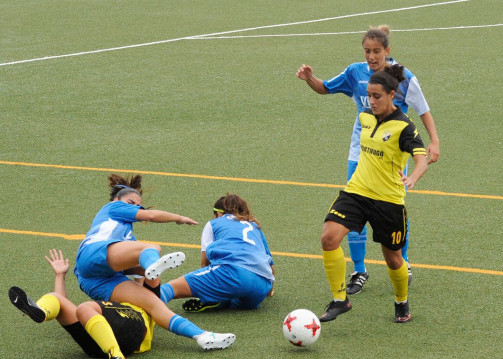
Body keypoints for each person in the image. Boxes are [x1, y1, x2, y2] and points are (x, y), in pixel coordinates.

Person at [296, 25, 439, 294]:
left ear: (387, 51)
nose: (371, 57)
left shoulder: (403, 77)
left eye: (376, 51)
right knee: (354, 211)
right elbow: (325, 88)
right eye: (367, 51)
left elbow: (423, 109)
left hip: (392, 155)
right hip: (359, 152)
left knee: (395, 212)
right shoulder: (355, 72)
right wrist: (309, 79)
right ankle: (359, 270)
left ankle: (402, 263)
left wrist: (434, 141)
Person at [74, 174, 236, 353]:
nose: (136, 208)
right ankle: (152, 266)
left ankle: (202, 336)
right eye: (131, 203)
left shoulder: (128, 239)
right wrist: (178, 218)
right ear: (116, 199)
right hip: (91, 254)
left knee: (154, 304)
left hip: (96, 281)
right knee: (152, 249)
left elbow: (137, 279)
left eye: (138, 205)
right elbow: (149, 215)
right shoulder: (112, 208)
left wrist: (146, 292)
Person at [318, 64, 428, 323]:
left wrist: (412, 177)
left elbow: (420, 158)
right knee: (328, 238)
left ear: (392, 94)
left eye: (377, 96)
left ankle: (401, 301)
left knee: (393, 260)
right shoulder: (365, 117)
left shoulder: (405, 127)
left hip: (388, 200)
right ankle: (340, 299)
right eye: (369, 95)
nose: (371, 101)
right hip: (357, 191)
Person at [9, 249, 155, 359]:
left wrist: (125, 261)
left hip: (136, 323)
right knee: (60, 300)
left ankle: (118, 357)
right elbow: (63, 306)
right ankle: (41, 310)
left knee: (85, 308)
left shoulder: (142, 296)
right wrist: (60, 275)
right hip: (98, 345)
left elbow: (147, 271)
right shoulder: (110, 304)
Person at [160, 194, 275, 312]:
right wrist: (269, 291)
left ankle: (145, 306)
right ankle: (221, 301)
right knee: (237, 303)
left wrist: (205, 286)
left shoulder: (213, 224)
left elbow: (205, 263)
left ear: (218, 213)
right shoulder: (254, 225)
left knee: (173, 288)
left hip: (233, 274)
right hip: (262, 285)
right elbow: (271, 265)